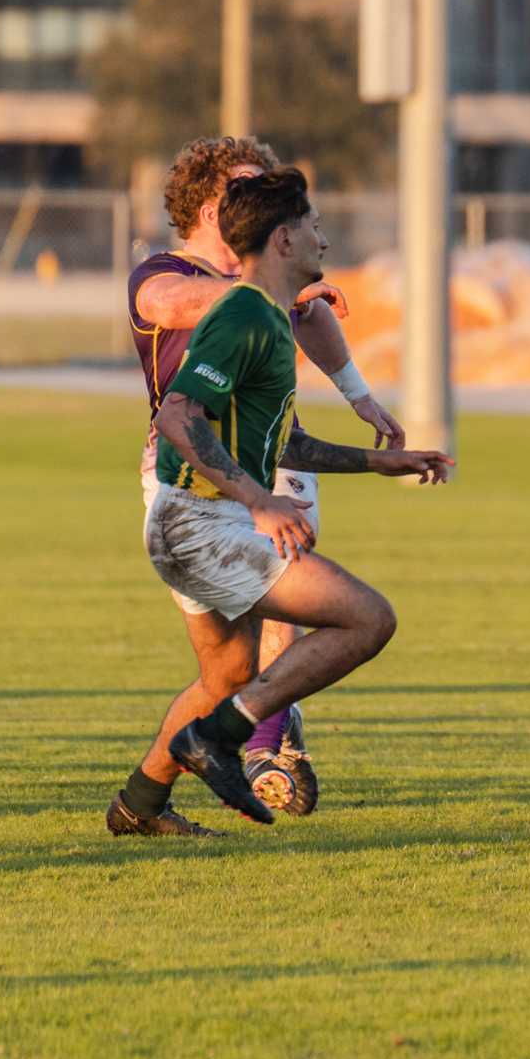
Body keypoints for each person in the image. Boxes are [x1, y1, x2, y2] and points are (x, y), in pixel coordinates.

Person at [118, 169, 454, 832]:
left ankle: (138, 805)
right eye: (313, 227)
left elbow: (281, 443)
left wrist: (378, 461)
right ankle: (224, 737)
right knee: (367, 619)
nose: (323, 240)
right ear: (281, 239)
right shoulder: (244, 311)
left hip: (199, 517)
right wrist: (258, 501)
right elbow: (180, 417)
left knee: (229, 672)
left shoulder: (268, 317)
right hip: (201, 524)